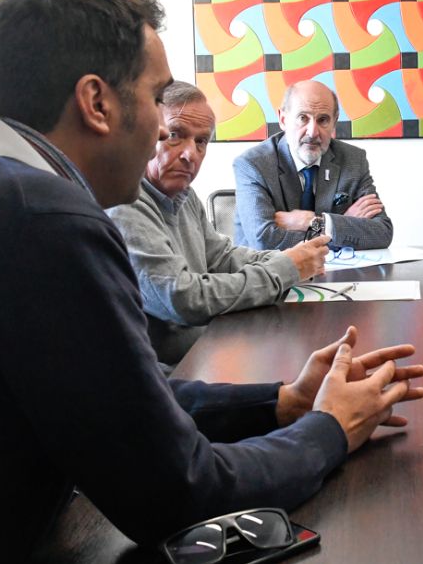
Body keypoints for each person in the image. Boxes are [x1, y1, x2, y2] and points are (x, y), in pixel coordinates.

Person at [0, 0, 423, 563]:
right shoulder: (46, 222)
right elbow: (179, 490)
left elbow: (124, 400)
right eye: (157, 100)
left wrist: (281, 401)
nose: (164, 133)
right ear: (97, 103)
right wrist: (330, 429)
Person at [107, 80, 331, 365]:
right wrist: (285, 269)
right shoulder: (124, 204)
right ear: (149, 131)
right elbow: (184, 298)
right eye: (176, 135)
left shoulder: (183, 196)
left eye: (201, 141)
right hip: (173, 377)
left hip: (207, 349)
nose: (191, 155)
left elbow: (222, 257)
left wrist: (291, 258)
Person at [233, 79, 393, 251]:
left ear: (334, 122)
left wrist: (314, 222)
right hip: (271, 274)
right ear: (283, 119)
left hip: (337, 274)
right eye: (303, 118)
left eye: (323, 120)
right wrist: (341, 227)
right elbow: (264, 239)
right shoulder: (253, 164)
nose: (313, 132)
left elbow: (382, 232)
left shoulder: (353, 160)